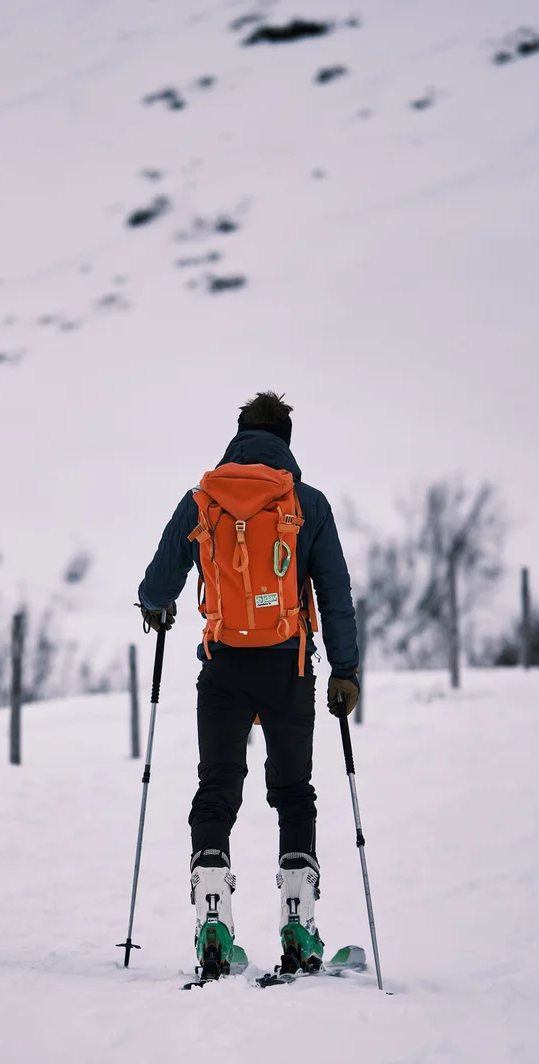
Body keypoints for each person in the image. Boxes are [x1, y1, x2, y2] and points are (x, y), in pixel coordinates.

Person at [136, 391, 360, 980]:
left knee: (216, 791)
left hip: (224, 665)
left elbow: (159, 580)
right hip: (289, 666)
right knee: (293, 792)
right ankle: (298, 925)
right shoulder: (307, 504)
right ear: (286, 441)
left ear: (237, 437)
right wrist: (345, 669)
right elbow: (335, 595)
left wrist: (156, 607)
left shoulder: (201, 500)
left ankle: (213, 923)